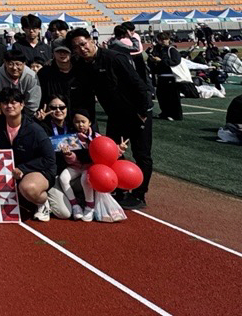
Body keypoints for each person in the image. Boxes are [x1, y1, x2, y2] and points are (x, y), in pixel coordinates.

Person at [66, 27, 153, 209]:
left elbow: (138, 85)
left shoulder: (114, 58)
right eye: (77, 47)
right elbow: (85, 94)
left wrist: (143, 112)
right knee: (112, 154)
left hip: (136, 113)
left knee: (141, 154)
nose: (82, 49)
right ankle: (120, 189)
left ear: (92, 40)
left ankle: (139, 194)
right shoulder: (82, 66)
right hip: (114, 115)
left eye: (84, 44)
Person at [0, 87, 57, 222]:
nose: (9, 106)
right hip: (13, 170)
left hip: (39, 170)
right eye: (5, 103)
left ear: (22, 105)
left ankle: (42, 202)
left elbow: (49, 159)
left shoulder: (35, 130)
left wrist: (24, 169)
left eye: (13, 102)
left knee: (28, 188)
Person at [36, 40, 96, 123]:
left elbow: (89, 98)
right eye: (59, 51)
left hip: (79, 119)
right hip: (53, 118)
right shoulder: (44, 73)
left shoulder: (82, 71)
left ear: (71, 53)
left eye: (65, 52)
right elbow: (40, 97)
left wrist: (87, 118)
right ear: (53, 53)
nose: (62, 54)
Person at [0, 49, 42, 117]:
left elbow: (33, 102)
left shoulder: (31, 76)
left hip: (26, 115)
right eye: (10, 64)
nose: (14, 68)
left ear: (24, 64)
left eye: (18, 64)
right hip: (2, 115)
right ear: (5, 62)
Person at [149, 31, 184, 121]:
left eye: (164, 39)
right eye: (160, 40)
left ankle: (175, 114)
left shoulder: (171, 50)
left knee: (172, 97)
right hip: (160, 76)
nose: (163, 41)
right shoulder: (157, 49)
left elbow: (176, 61)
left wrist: (161, 61)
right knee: (161, 96)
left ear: (168, 40)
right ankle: (165, 112)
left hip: (170, 76)